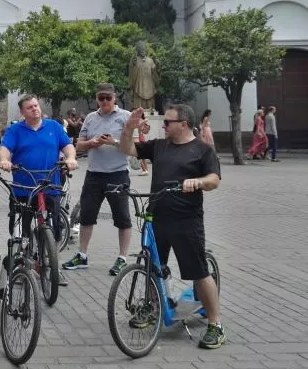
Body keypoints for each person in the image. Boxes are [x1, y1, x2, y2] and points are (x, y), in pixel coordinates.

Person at [120, 104, 224, 349]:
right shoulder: (160, 146)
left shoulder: (202, 150)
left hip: (186, 220)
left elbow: (214, 179)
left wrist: (197, 182)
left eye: (168, 122)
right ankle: (153, 308)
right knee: (153, 267)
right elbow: (127, 149)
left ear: (184, 124)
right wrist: (129, 127)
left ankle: (215, 325)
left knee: (198, 272)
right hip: (156, 218)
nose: (164, 126)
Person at [0, 95, 79, 286]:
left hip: (50, 186)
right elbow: (4, 149)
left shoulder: (53, 127)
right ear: (22, 112)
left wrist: (70, 158)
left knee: (55, 229)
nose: (35, 109)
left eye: (36, 105)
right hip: (24, 189)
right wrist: (4, 160)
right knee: (21, 228)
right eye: (29, 107)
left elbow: (68, 146)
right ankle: (22, 263)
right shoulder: (15, 129)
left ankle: (52, 264)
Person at [63, 84, 133, 277]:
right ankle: (82, 255)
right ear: (96, 99)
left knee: (122, 218)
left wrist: (115, 142)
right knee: (86, 216)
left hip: (118, 173)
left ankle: (122, 258)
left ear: (114, 98)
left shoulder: (125, 117)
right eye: (100, 98)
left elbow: (134, 147)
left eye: (107, 98)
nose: (104, 102)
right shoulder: (91, 118)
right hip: (94, 174)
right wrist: (93, 143)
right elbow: (78, 146)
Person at [129, 41, 159, 110]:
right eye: (141, 49)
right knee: (138, 101)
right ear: (138, 51)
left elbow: (154, 72)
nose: (143, 51)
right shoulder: (135, 60)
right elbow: (132, 73)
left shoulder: (150, 60)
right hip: (138, 85)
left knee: (150, 103)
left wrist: (158, 66)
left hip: (149, 85)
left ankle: (150, 109)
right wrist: (133, 65)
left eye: (144, 49)